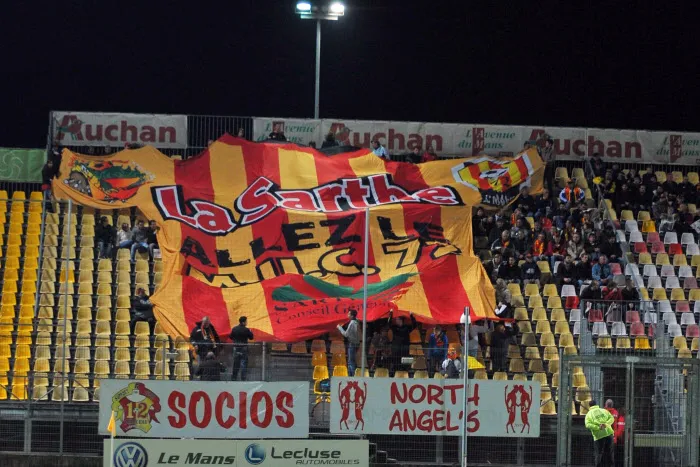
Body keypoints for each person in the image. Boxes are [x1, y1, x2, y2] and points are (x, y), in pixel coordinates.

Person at [585, 399, 615, 467]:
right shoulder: (603, 410)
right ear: (596, 404)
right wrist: (606, 424)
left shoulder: (589, 414)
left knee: (598, 454)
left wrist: (598, 427)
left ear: (589, 406)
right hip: (609, 433)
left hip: (599, 436)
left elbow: (588, 425)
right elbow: (612, 418)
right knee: (610, 453)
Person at [229, 316, 255, 381]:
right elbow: (251, 338)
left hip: (236, 347)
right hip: (244, 348)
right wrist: (250, 332)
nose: (247, 322)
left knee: (236, 363)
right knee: (243, 363)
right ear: (243, 322)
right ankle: (243, 378)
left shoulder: (234, 329)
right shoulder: (246, 329)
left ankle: (234, 377)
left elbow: (231, 337)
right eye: (246, 321)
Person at [337, 310, 361, 376]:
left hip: (352, 343)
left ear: (352, 316)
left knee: (351, 362)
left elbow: (346, 334)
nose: (347, 315)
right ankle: (351, 375)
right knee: (352, 360)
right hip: (357, 343)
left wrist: (339, 327)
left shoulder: (352, 323)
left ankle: (353, 376)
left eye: (349, 314)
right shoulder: (357, 321)